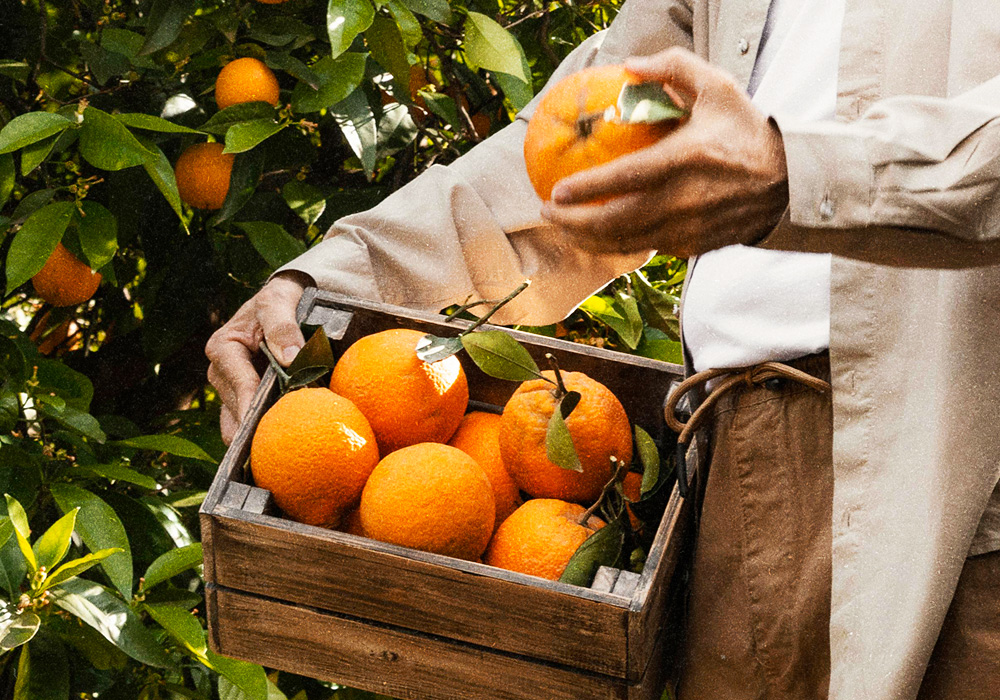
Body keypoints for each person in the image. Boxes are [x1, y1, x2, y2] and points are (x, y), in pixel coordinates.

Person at [206, 0, 1000, 697]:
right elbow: (589, 144)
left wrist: (799, 168)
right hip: (737, 478)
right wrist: (331, 280)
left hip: (962, 471)